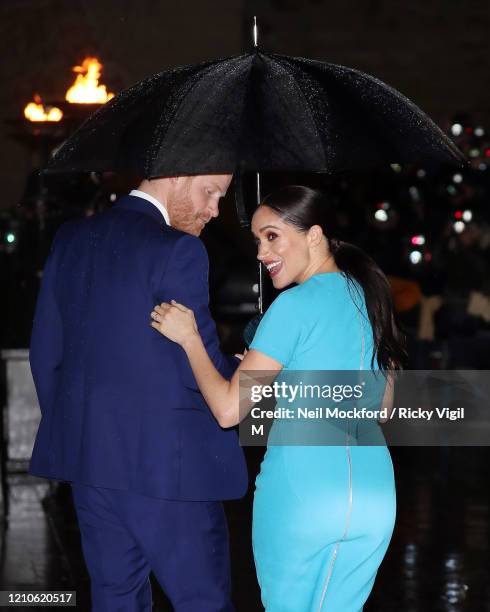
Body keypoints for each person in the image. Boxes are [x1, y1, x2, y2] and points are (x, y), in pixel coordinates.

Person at [151, 185, 406, 611]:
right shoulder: (370, 296)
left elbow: (229, 410)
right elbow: (382, 406)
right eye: (256, 240)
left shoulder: (292, 306)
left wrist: (190, 339)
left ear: (314, 235)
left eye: (272, 236)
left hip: (303, 490)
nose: (260, 252)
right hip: (375, 492)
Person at [29, 174, 248, 611]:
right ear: (178, 176)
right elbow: (195, 365)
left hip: (91, 466)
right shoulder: (179, 249)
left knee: (115, 601)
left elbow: (45, 352)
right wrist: (239, 371)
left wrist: (81, 433)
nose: (214, 209)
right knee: (201, 602)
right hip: (171, 472)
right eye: (210, 192)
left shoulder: (71, 238)